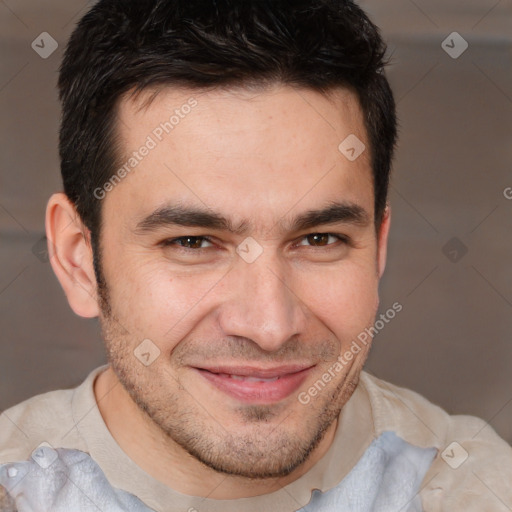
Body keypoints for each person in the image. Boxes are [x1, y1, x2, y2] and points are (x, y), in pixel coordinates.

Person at [1, 0, 511, 510]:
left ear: (377, 248)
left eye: (320, 239)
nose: (269, 326)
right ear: (77, 259)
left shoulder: (471, 487)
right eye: (192, 242)